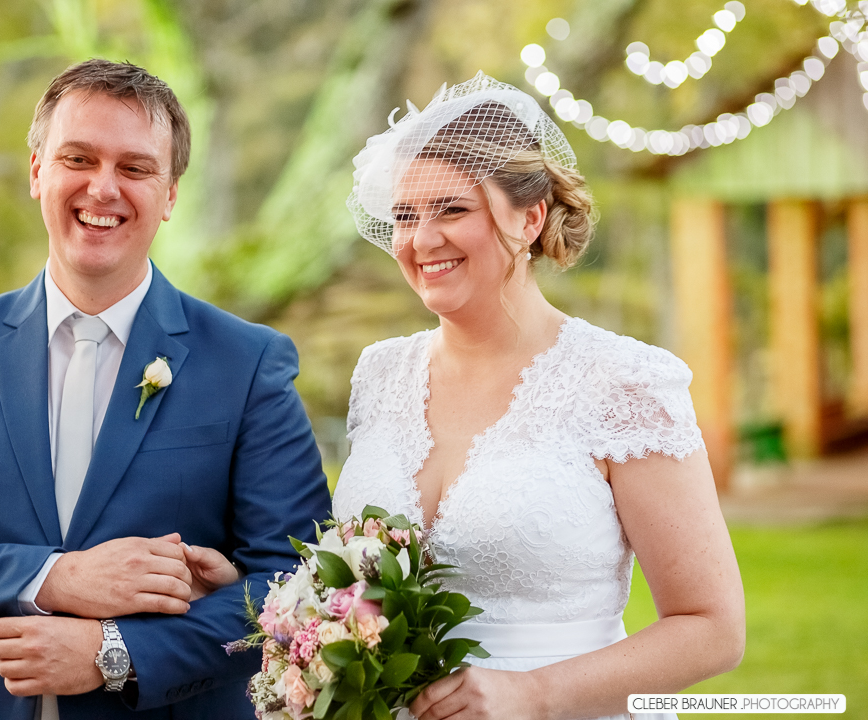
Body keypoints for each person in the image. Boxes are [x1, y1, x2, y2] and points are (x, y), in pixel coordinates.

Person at [190, 71, 745, 720]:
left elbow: (711, 628)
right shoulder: (380, 372)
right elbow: (371, 586)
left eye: (452, 209)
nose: (423, 240)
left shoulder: (623, 381)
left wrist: (533, 695)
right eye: (405, 216)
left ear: (531, 217)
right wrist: (282, 607)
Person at [0, 58, 331, 720]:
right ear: (37, 171)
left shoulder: (248, 362)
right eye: (78, 158)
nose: (103, 188)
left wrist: (117, 651)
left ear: (171, 195)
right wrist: (55, 577)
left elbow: (298, 582)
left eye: (134, 168)